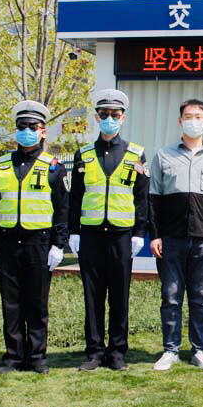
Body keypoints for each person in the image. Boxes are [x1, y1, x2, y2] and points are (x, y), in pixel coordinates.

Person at [0, 100, 69, 374]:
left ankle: (37, 357)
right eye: (22, 126)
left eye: (33, 126)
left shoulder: (53, 167)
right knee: (11, 304)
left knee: (37, 303)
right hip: (7, 243)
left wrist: (59, 245)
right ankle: (13, 357)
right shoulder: (0, 166)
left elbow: (62, 209)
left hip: (39, 244)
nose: (27, 131)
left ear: (43, 131)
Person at [68, 89, 149, 372]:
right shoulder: (83, 154)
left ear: (123, 118)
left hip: (121, 235)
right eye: (104, 114)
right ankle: (94, 351)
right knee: (92, 295)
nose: (110, 119)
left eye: (115, 114)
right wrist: (74, 230)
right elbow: (75, 196)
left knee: (119, 295)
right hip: (91, 234)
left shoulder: (136, 153)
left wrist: (139, 232)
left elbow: (142, 197)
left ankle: (116, 351)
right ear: (97, 117)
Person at [148, 99, 203, 371]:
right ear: (180, 121)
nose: (193, 121)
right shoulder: (164, 156)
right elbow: (154, 199)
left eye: (198, 116)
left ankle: (199, 350)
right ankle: (170, 350)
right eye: (188, 116)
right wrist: (155, 235)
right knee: (170, 296)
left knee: (200, 298)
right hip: (170, 239)